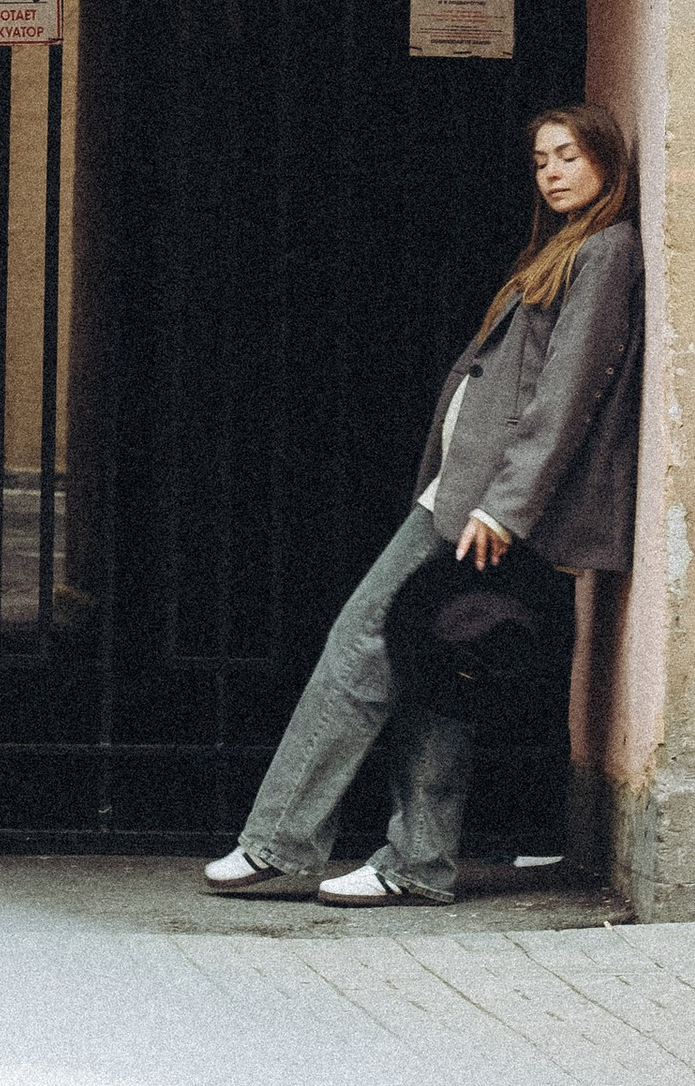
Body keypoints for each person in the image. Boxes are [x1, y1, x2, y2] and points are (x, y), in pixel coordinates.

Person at [203, 100, 644, 907]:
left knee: (362, 639)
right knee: (439, 667)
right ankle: (420, 861)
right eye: (541, 160)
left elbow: (568, 392)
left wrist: (508, 506)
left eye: (568, 157)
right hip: (465, 494)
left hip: (487, 504)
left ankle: (279, 840)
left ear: (607, 165)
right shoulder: (568, 247)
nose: (551, 172)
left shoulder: (608, 253)